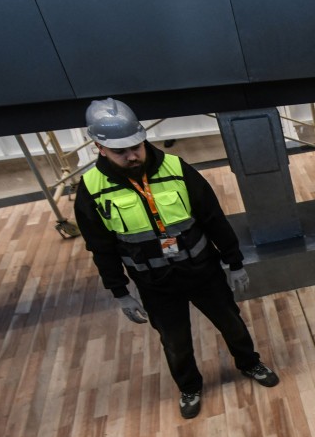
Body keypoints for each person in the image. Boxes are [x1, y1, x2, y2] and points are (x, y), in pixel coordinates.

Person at [75, 98, 279, 420]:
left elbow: (213, 218)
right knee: (175, 342)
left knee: (232, 323)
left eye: (136, 147)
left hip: (202, 271)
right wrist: (120, 292)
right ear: (99, 147)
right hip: (155, 283)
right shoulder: (91, 189)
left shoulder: (176, 168)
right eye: (121, 152)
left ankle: (249, 362)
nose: (132, 156)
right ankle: (189, 386)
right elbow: (100, 247)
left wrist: (234, 262)